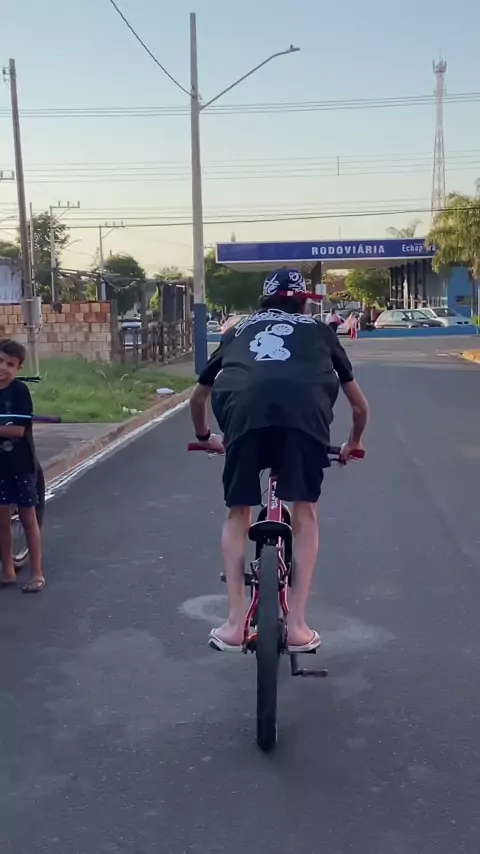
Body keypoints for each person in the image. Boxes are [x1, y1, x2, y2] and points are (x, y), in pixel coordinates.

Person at [189, 269, 369, 652]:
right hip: (305, 420)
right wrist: (352, 443)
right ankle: (299, 626)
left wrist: (206, 438)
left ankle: (235, 623)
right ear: (303, 301)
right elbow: (359, 406)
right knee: (305, 513)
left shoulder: (237, 329)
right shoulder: (320, 330)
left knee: (238, 514)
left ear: (265, 301)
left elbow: (198, 397)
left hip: (243, 418)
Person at [0, 339, 44, 592]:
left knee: (28, 517)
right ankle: (7, 570)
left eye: (10, 364)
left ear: (18, 368)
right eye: (0, 361)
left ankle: (37, 573)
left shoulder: (19, 392)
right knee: (2, 521)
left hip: (21, 465)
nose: (3, 368)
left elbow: (17, 430)